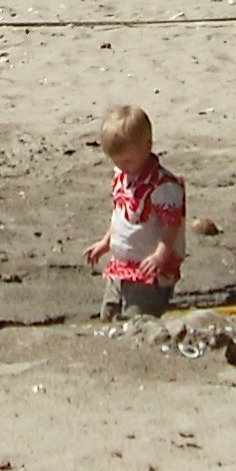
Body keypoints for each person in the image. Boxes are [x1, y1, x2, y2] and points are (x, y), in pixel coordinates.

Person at [82, 102, 185, 318]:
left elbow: (172, 225)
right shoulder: (122, 176)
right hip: (120, 266)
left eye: (128, 160)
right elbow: (120, 216)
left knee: (137, 317)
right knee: (109, 313)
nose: (123, 166)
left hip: (147, 272)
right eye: (117, 161)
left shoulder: (161, 186)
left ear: (147, 146)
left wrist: (160, 255)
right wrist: (105, 242)